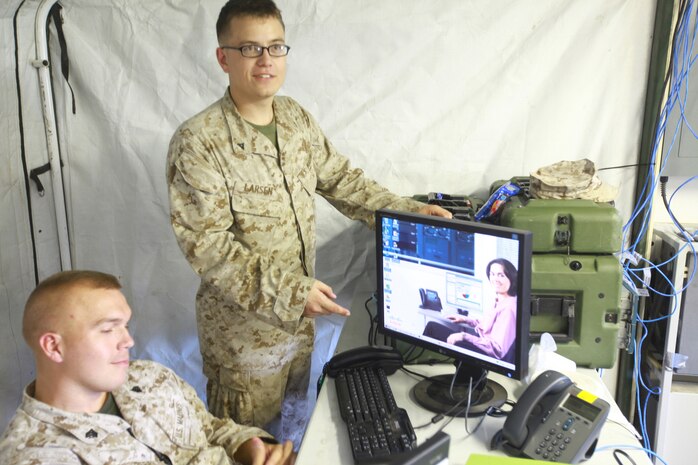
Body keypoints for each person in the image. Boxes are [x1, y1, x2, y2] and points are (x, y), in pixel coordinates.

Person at [165, 0, 451, 446]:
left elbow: (341, 180)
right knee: (249, 450)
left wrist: (406, 212)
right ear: (223, 57)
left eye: (276, 47)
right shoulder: (199, 142)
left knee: (296, 438)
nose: (266, 60)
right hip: (245, 347)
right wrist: (293, 293)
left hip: (298, 334)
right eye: (250, 48)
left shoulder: (295, 119)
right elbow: (208, 247)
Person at [0, 270, 295, 465]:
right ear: (54, 347)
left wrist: (250, 448)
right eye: (108, 329)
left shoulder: (149, 377)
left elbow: (211, 429)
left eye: (125, 325)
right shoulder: (35, 455)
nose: (127, 340)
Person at [422, 258, 518, 360]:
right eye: (492, 274)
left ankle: (422, 362)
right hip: (483, 345)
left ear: (511, 278)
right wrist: (466, 320)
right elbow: (488, 324)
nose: (495, 279)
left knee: (432, 328)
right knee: (432, 327)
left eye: (501, 275)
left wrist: (465, 336)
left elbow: (497, 349)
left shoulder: (508, 308)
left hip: (487, 354)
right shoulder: (500, 300)